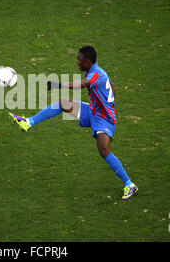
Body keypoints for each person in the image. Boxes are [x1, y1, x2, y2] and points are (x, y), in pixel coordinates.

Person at [9, 45, 138, 199]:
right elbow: (112, 85)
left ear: (88, 62)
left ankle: (129, 185)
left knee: (104, 151)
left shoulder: (96, 75)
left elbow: (83, 85)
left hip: (104, 119)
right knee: (63, 103)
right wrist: (108, 100)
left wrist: (59, 85)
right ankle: (28, 122)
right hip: (93, 112)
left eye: (80, 60)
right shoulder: (96, 71)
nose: (77, 62)